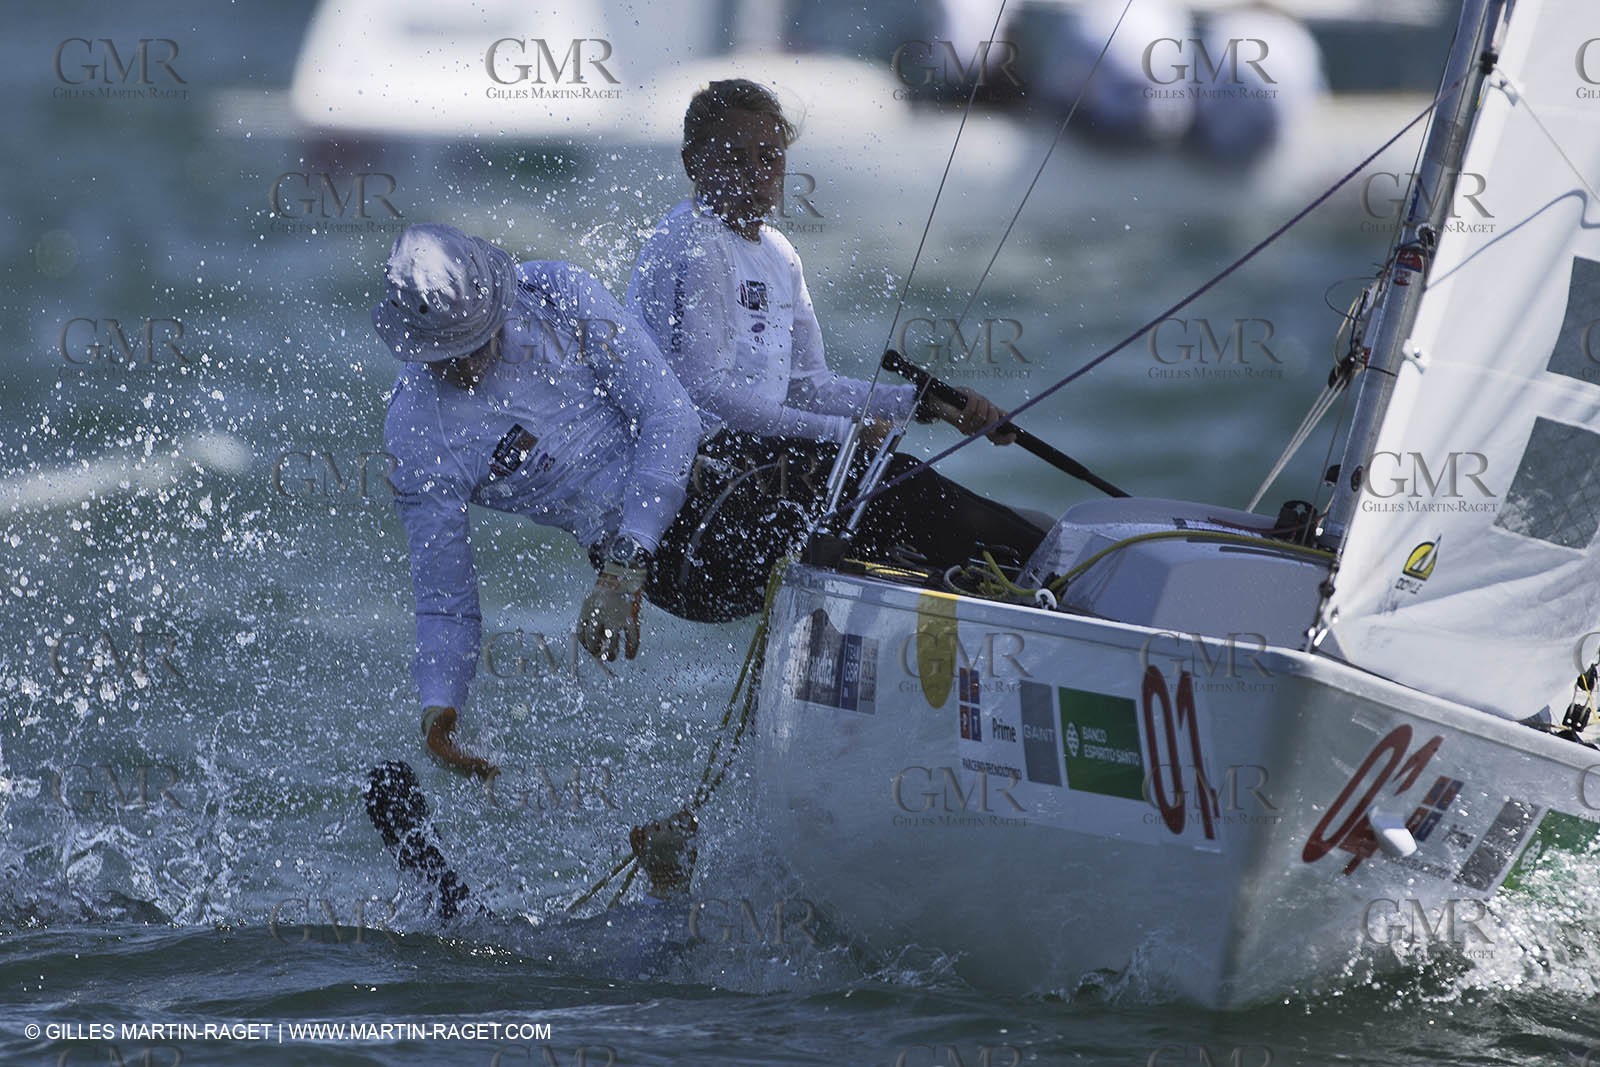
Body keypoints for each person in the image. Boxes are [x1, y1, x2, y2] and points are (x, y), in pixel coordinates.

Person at [627, 78, 1047, 609]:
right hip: (693, 513)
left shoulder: (778, 254)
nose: (754, 174)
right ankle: (1046, 561)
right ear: (694, 164)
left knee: (909, 526)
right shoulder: (697, 242)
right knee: (897, 485)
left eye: (769, 159)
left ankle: (1024, 575)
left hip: (753, 484)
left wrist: (926, 404)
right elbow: (703, 392)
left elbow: (810, 389)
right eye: (733, 159)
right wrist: (844, 435)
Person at [377, 223, 702, 777]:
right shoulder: (417, 436)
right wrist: (439, 709)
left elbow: (671, 416)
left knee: (866, 482)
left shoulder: (557, 293)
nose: (468, 365)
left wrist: (626, 566)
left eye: (476, 341)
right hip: (666, 558)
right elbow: (443, 602)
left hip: (695, 475)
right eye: (446, 355)